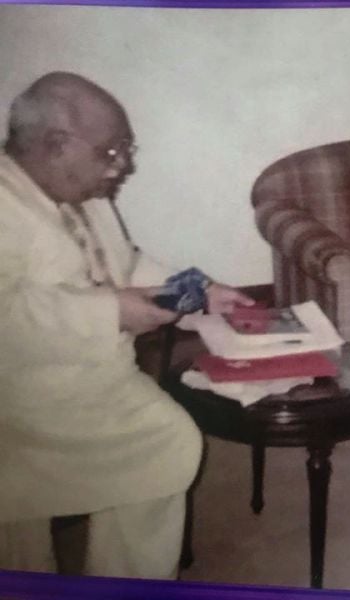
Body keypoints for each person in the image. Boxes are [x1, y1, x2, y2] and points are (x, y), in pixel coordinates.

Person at [0, 72, 252, 579]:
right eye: (112, 152)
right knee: (167, 442)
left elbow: (126, 265)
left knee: (148, 465)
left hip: (95, 380)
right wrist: (112, 311)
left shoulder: (85, 193)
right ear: (56, 145)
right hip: (24, 398)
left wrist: (200, 290)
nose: (123, 166)